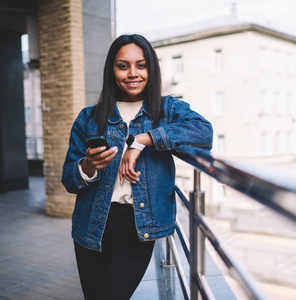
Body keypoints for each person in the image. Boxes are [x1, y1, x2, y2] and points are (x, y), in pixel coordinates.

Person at [61, 34, 213, 300]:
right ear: (112, 69)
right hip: (91, 226)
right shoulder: (88, 118)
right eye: (123, 66)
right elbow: (69, 180)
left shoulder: (167, 110)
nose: (133, 73)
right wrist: (88, 165)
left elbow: (204, 133)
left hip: (137, 228)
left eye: (141, 65)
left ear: (150, 69)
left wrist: (144, 140)